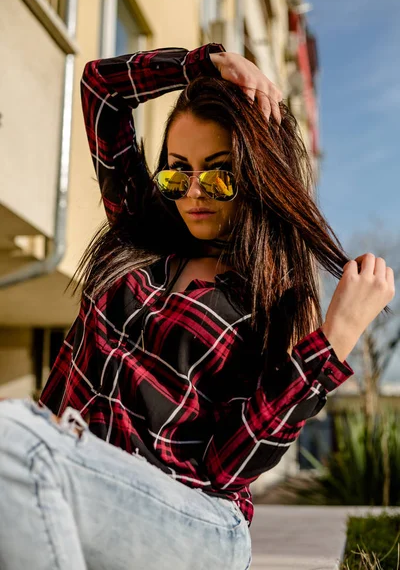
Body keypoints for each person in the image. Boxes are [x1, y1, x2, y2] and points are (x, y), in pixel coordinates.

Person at [0, 43, 394, 570]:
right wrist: (201, 64)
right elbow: (101, 90)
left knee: (14, 440)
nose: (192, 192)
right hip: (79, 479)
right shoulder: (138, 235)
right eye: (176, 170)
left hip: (193, 520)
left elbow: (226, 466)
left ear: (256, 175)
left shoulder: (272, 298)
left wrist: (334, 340)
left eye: (217, 172)